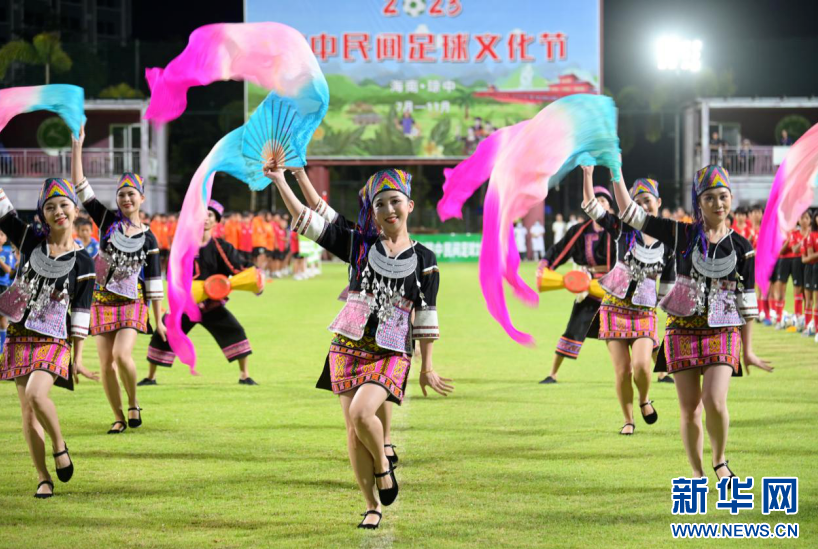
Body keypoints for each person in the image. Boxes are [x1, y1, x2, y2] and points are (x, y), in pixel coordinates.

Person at [267, 166, 452, 530]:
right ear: (373, 211)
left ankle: (382, 462)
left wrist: (427, 366)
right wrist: (280, 181)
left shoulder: (426, 259)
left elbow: (426, 314)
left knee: (362, 413)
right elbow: (308, 219)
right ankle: (371, 505)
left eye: (395, 201)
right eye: (380, 204)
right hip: (347, 346)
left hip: (392, 351)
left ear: (410, 205)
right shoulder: (359, 244)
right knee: (353, 430)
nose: (389, 209)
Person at [615, 164, 771, 482]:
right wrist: (615, 170)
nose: (718, 203)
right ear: (698, 202)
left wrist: (749, 350)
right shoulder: (682, 234)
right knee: (690, 409)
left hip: (723, 330)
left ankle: (719, 460)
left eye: (723, 196)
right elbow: (633, 215)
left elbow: (747, 303)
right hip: (682, 330)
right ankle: (697, 472)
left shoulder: (743, 247)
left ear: (731, 198)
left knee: (714, 401)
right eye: (709, 198)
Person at [0, 178, 99, 498]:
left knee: (36, 394)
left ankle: (59, 445)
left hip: (55, 339)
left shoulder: (84, 260)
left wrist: (78, 358)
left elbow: (81, 310)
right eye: (50, 207)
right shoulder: (30, 239)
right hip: (19, 334)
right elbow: (3, 211)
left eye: (64, 205)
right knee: (28, 412)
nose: (58, 211)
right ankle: (43, 477)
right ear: (42, 214)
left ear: (75, 210)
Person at [72, 128, 164, 434]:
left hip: (132, 301)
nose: (125, 198)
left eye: (131, 194)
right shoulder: (107, 221)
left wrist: (159, 321)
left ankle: (134, 402)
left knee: (121, 356)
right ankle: (118, 417)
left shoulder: (149, 237)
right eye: (121, 194)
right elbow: (80, 186)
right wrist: (77, 146)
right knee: (106, 364)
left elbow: (154, 282)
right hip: (102, 300)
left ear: (141, 198)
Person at [581, 169, 674, 434]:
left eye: (648, 200)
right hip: (614, 307)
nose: (643, 206)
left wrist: (667, 312)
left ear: (658, 202)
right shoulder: (623, 229)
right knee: (622, 371)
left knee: (642, 366)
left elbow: (668, 282)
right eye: (638, 201)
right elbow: (591, 207)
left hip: (645, 311)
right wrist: (587, 175)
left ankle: (644, 399)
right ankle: (628, 419)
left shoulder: (669, 238)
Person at [139, 200, 258, 386]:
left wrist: (255, 277)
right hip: (186, 305)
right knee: (163, 333)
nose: (205, 219)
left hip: (212, 305)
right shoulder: (183, 247)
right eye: (201, 215)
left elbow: (240, 268)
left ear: (216, 221)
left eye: (209, 215)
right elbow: (174, 275)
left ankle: (245, 375)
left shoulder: (222, 247)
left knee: (235, 331)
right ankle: (150, 377)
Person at [538, 187, 617, 384]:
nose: (599, 203)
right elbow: (560, 249)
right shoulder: (580, 231)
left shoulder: (619, 228)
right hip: (588, 287)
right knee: (573, 328)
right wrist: (545, 265)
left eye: (604, 200)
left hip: (616, 288)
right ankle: (552, 374)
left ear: (610, 206)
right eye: (596, 199)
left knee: (629, 331)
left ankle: (660, 373)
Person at [801, 209, 818, 337]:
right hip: (812, 268)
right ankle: (808, 327)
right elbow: (808, 257)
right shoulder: (812, 236)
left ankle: (815, 328)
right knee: (809, 299)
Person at [0, 228, 17, 353]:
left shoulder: (7, 253)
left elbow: (9, 271)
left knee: (3, 321)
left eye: (1, 234)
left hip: (3, 287)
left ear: (5, 238)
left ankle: (2, 348)